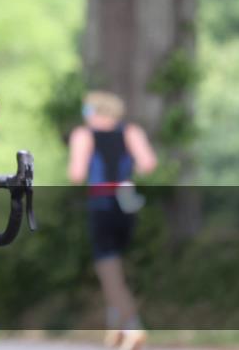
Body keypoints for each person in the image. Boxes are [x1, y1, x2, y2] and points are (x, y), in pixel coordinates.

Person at [67, 91, 157, 350]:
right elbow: (148, 163)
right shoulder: (131, 132)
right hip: (126, 202)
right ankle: (115, 329)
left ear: (95, 112)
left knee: (108, 269)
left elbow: (76, 173)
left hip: (102, 202)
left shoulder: (83, 135)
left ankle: (132, 326)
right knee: (116, 266)